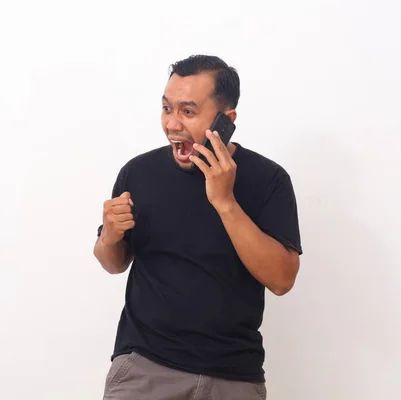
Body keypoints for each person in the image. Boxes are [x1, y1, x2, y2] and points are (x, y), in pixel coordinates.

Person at [93, 54, 302, 400]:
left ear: (226, 119)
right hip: (146, 371)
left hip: (234, 378)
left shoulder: (269, 181)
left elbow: (282, 280)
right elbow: (113, 262)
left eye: (187, 112)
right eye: (167, 109)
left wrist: (225, 202)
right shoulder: (138, 173)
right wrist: (109, 236)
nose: (173, 124)